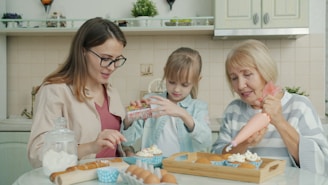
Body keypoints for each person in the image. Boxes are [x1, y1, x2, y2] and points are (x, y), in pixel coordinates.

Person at [27, 17, 134, 168]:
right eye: (105, 58)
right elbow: (37, 154)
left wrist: (133, 118)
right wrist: (90, 147)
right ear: (83, 51)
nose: (112, 67)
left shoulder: (111, 91)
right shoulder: (55, 90)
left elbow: (114, 144)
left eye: (117, 60)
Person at [211, 39, 328, 175]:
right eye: (234, 78)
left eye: (247, 74)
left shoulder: (299, 106)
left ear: (265, 72)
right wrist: (244, 143)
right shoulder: (234, 110)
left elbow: (322, 163)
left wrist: (279, 121)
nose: (240, 85)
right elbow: (216, 158)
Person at [121, 47, 212, 157]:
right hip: (153, 168)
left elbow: (206, 141)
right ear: (165, 73)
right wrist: (129, 119)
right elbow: (126, 142)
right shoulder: (151, 101)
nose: (176, 89)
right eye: (172, 82)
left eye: (184, 84)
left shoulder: (198, 107)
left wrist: (183, 114)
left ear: (197, 80)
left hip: (183, 168)